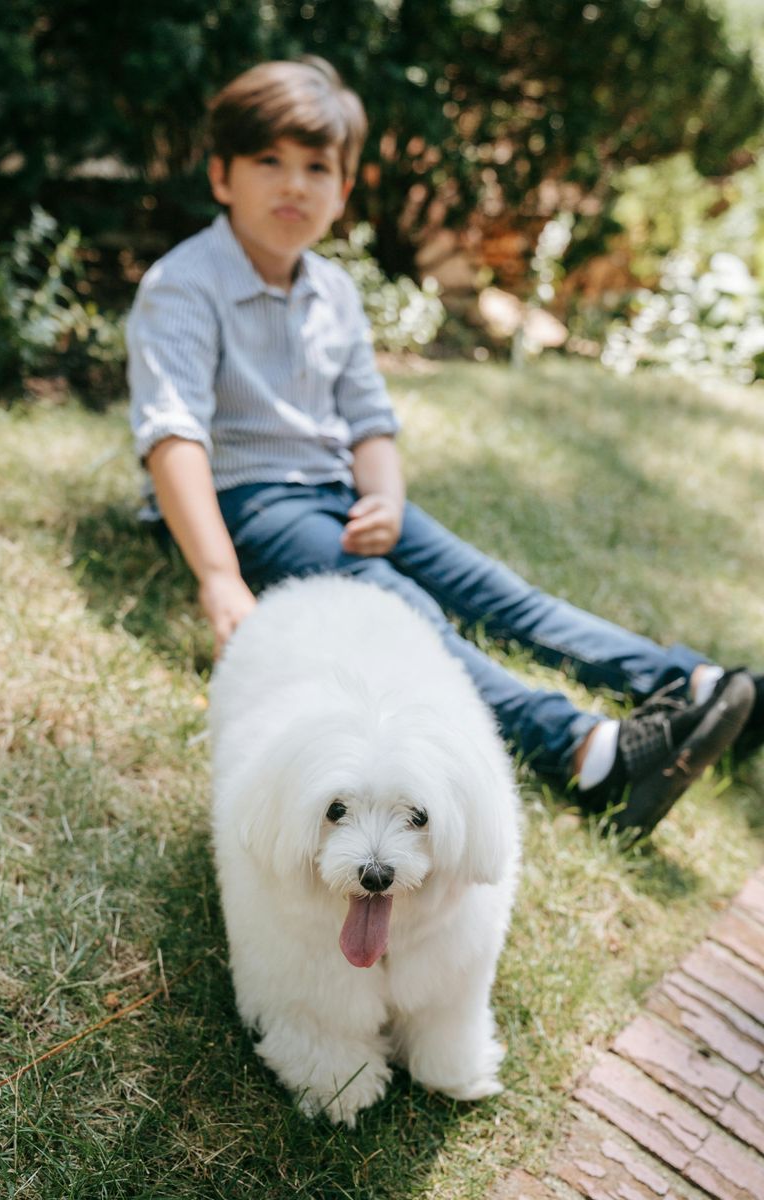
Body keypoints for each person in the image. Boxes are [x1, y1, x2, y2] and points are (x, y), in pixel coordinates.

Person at [126, 56, 761, 838]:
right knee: (406, 611)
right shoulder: (183, 286)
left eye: (316, 167)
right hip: (251, 498)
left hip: (341, 490)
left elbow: (368, 419)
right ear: (222, 177)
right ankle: (582, 751)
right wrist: (221, 578)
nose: (293, 186)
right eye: (269, 163)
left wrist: (386, 496)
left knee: (496, 591)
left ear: (343, 189)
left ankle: (694, 685)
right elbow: (173, 435)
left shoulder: (333, 291)